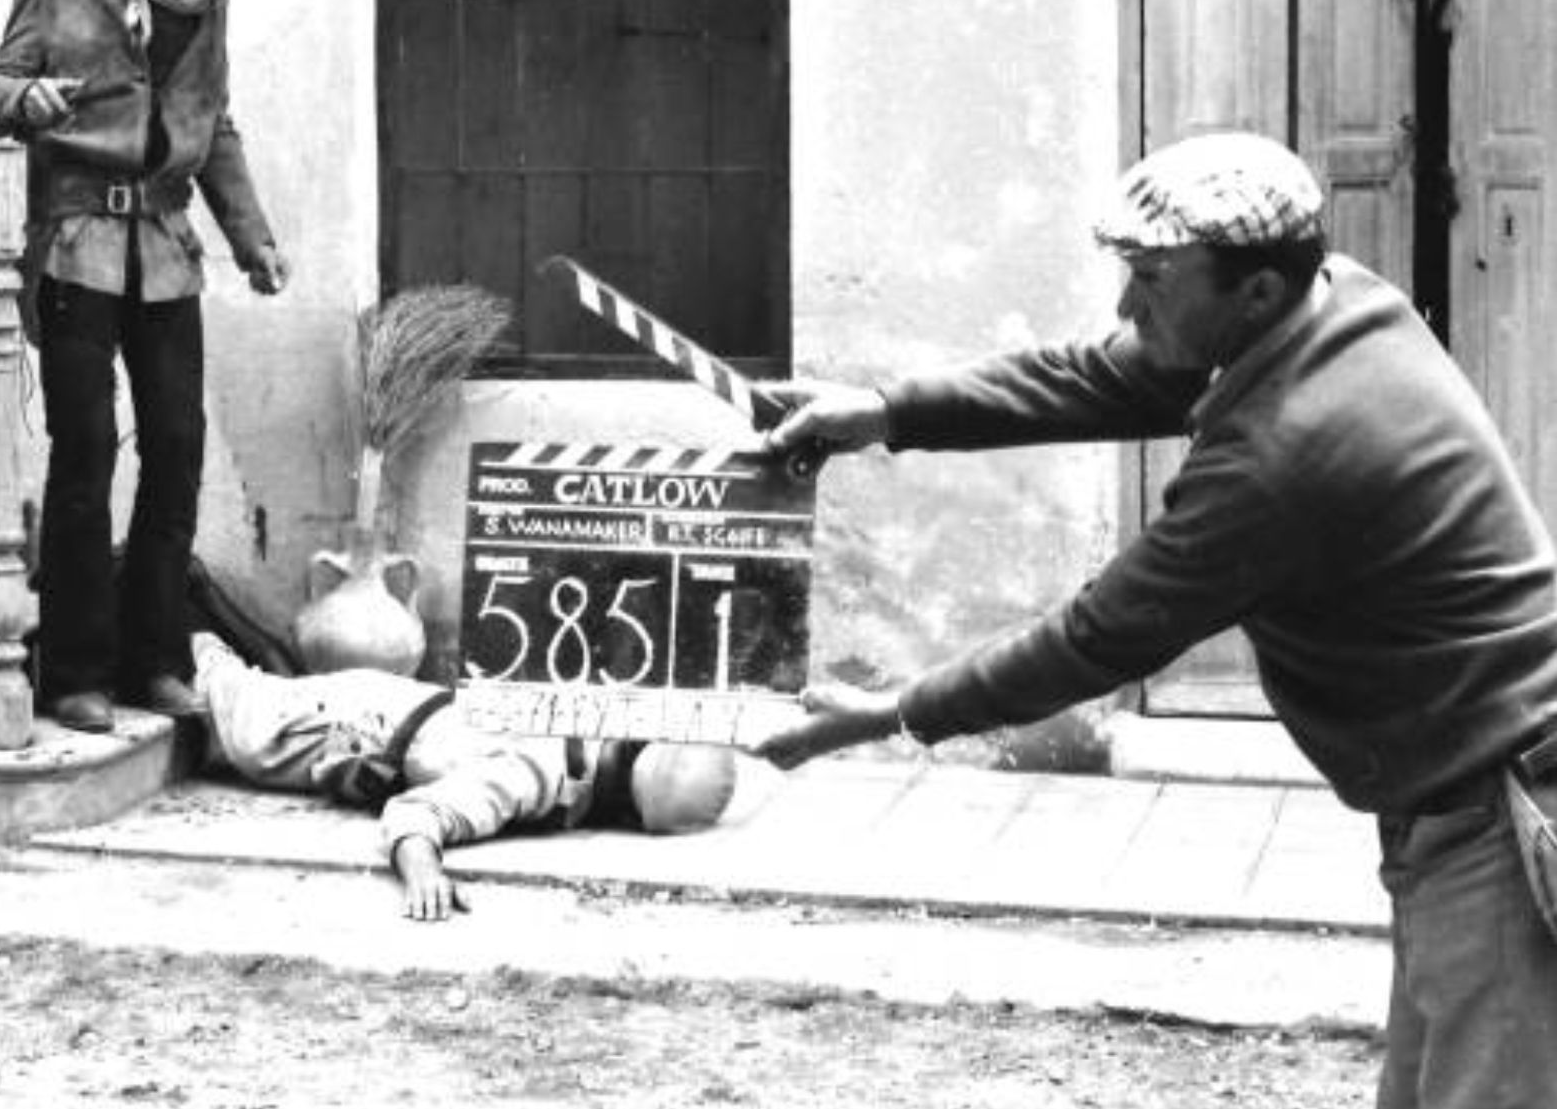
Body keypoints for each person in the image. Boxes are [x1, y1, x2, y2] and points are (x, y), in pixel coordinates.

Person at [753, 131, 1557, 1109]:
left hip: (1500, 812)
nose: (1123, 305)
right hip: (1461, 796)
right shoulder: (1336, 302)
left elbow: (1099, 636)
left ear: (1252, 293)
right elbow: (1106, 373)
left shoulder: (1282, 454)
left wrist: (889, 714)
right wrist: (886, 412)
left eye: (1149, 279)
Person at [0, 0, 290, 734]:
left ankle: (157, 658)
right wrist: (26, 104)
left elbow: (211, 122)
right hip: (76, 246)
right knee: (87, 452)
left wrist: (252, 237)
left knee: (179, 447)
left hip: (166, 248)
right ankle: (72, 670)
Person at [190, 631, 739, 921]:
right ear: (625, 812)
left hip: (391, 703)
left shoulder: (587, 718)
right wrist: (424, 872)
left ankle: (198, 613)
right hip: (361, 726)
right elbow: (414, 813)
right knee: (236, 720)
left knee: (272, 688)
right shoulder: (534, 775)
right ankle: (180, 624)